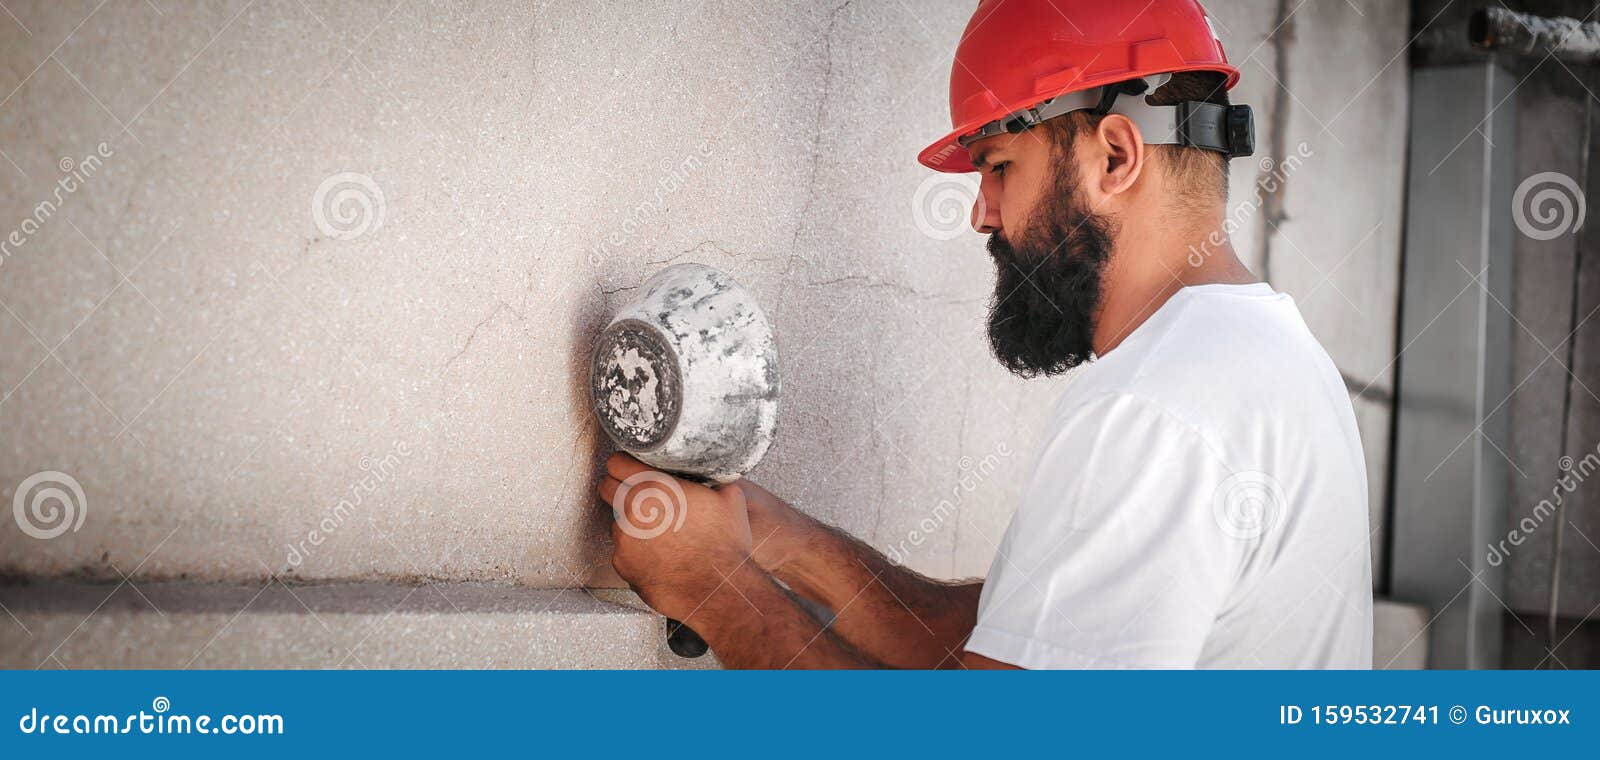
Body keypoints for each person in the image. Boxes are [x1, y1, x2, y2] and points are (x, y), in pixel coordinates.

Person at [598, 0, 1372, 669]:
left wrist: (717, 590)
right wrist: (777, 540)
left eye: (998, 166)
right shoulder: (1274, 361)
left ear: (1115, 155)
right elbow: (1021, 643)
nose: (982, 212)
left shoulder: (1155, 408)